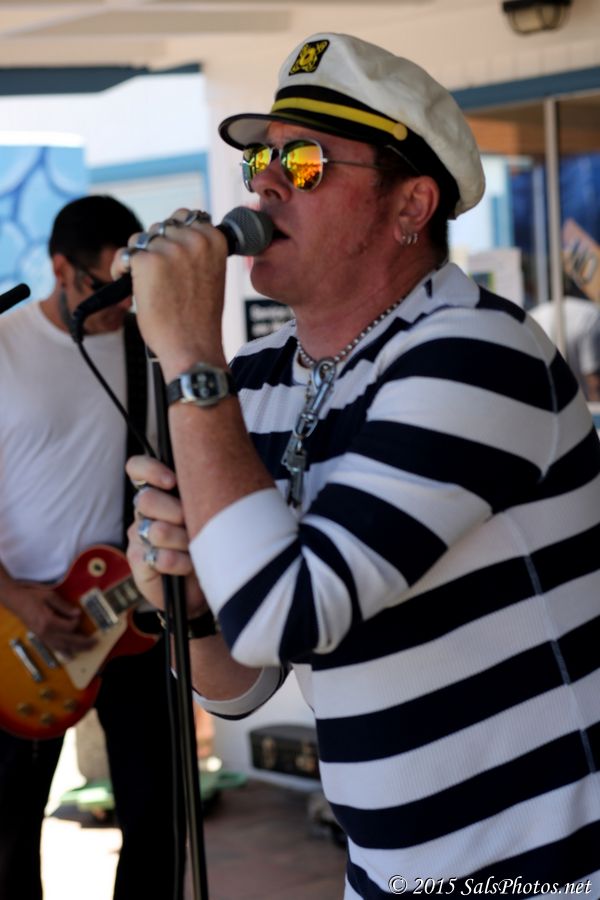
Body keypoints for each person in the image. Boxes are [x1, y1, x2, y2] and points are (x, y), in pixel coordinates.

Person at [120, 33, 600, 899]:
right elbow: (243, 685)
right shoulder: (253, 384)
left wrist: (190, 353)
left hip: (551, 871)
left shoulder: (478, 351)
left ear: (411, 203)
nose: (266, 182)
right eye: (260, 159)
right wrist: (191, 607)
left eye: (303, 161)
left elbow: (287, 616)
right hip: (388, 870)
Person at [0, 195, 185, 900]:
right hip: (24, 632)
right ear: (59, 269)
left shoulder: (153, 349)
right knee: (9, 832)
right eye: (103, 286)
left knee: (159, 815)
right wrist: (15, 596)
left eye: (129, 285)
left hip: (134, 615)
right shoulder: (5, 346)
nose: (121, 303)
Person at [531, 293, 600, 401]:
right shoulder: (592, 316)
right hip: (579, 403)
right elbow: (593, 382)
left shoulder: (536, 314)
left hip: (545, 400)